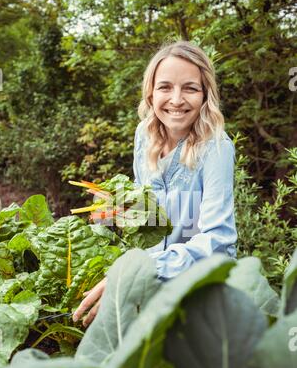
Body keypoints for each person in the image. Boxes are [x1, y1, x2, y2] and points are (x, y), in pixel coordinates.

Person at [73, 40, 237, 327]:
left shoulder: (216, 148)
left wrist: (137, 272)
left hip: (200, 293)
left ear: (205, 94)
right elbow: (145, 213)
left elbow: (218, 242)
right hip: (149, 288)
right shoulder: (144, 134)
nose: (176, 99)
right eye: (165, 87)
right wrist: (115, 212)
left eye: (190, 87)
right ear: (150, 93)